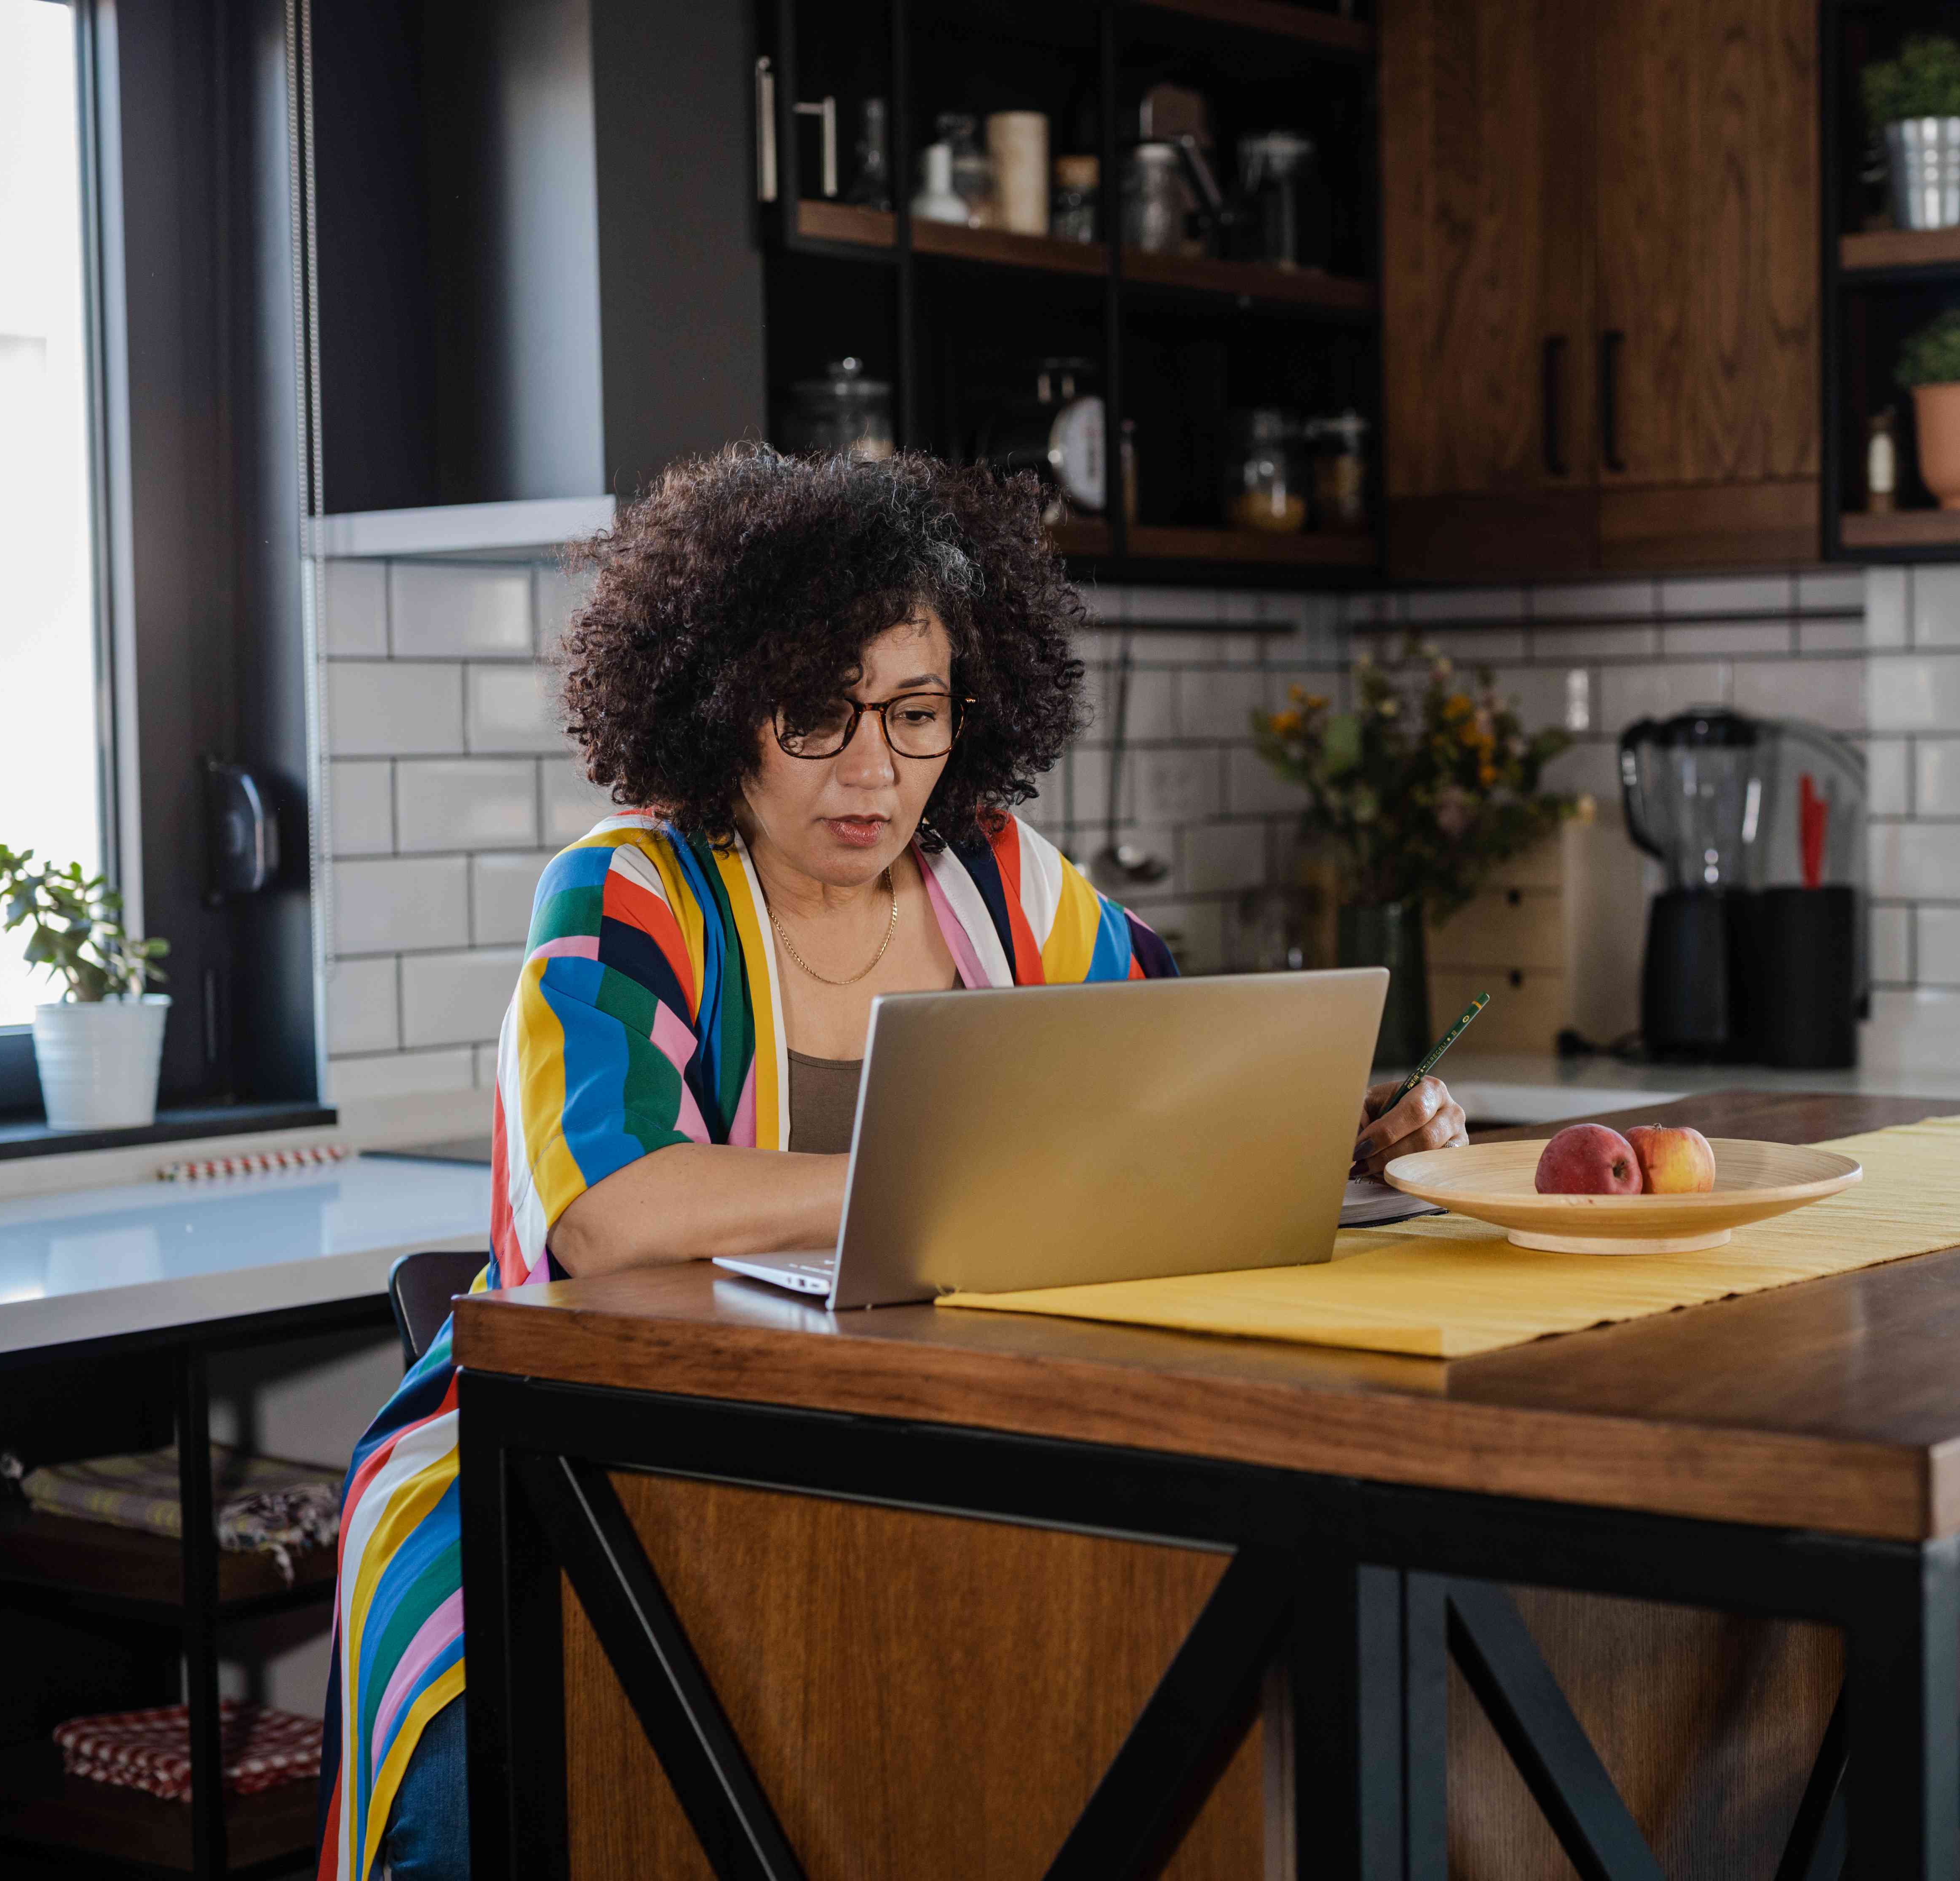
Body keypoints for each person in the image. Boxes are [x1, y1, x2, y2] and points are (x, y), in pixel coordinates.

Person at [317, 449, 1464, 1878]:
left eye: (917, 716)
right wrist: (953, 1176)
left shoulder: (1001, 882)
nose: (875, 771)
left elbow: (1177, 1079)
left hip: (896, 1446)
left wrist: (1348, 1119)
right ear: (723, 705)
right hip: (569, 1465)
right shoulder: (629, 892)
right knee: (488, 1805)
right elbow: (611, 1214)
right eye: (818, 717)